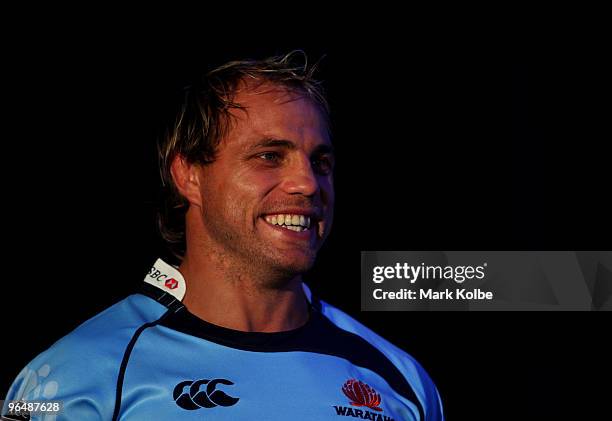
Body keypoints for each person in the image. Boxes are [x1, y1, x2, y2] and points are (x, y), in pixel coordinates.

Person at [3, 51, 444, 420]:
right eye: (270, 156)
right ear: (189, 176)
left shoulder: (400, 381)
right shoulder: (74, 377)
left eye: (321, 162)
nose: (308, 184)